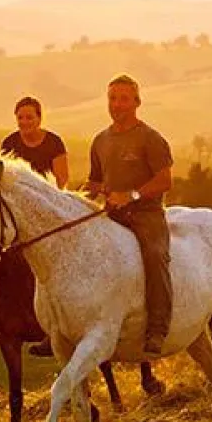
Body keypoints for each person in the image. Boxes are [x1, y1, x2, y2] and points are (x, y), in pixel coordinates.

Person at [84, 74, 174, 355]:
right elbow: (95, 182)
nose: (117, 104)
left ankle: (157, 328)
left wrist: (131, 195)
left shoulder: (150, 138)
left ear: (137, 102)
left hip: (146, 215)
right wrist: (79, 198)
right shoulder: (100, 140)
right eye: (112, 98)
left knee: (155, 256)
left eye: (124, 99)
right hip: (112, 215)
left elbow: (165, 180)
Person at [0, 96, 69, 341]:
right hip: (17, 212)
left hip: (46, 209)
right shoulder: (10, 143)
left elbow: (61, 180)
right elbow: (1, 179)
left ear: (39, 118)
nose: (25, 122)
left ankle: (62, 314)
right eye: (20, 117)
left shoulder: (54, 142)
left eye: (29, 117)